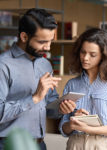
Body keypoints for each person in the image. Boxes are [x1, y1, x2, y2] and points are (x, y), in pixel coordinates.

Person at [0, 8, 76, 150]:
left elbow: (48, 107)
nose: (47, 47)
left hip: (40, 144)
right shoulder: (3, 65)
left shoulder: (45, 64)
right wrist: (34, 97)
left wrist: (62, 108)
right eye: (42, 42)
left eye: (50, 41)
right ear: (24, 37)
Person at [59, 28, 107, 150]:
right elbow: (64, 129)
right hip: (75, 145)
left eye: (92, 54)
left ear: (104, 56)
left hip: (105, 145)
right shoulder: (72, 84)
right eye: (83, 52)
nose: (85, 58)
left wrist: (89, 129)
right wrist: (73, 123)